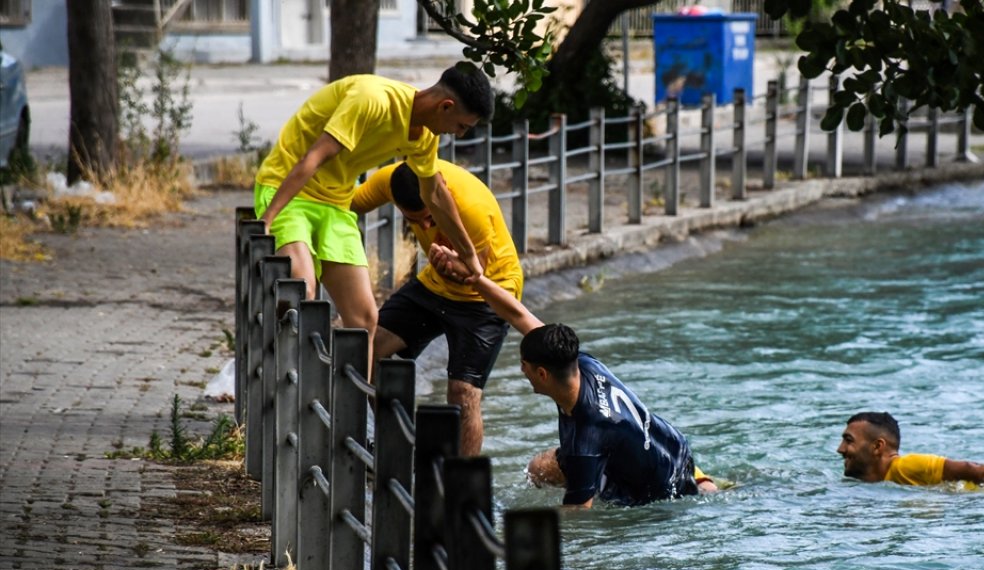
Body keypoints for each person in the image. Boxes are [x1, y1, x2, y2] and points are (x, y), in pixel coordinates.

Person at [428, 244, 718, 507]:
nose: (521, 371)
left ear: (542, 374)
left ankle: (701, 488)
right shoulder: (579, 362)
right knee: (538, 470)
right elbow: (517, 315)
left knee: (569, 483)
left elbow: (578, 514)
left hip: (653, 494)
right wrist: (474, 278)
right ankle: (702, 482)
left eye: (524, 366)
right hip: (674, 448)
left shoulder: (586, 438)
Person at [253, 63, 492, 376]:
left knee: (365, 319)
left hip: (335, 204)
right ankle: (277, 381)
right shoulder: (372, 99)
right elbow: (314, 157)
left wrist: (470, 255)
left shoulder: (423, 138)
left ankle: (356, 420)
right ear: (445, 106)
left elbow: (435, 196)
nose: (458, 134)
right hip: (288, 188)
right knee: (301, 288)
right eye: (461, 126)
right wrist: (267, 220)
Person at [349, 159, 522, 456]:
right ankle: (396, 449)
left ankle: (462, 484)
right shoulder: (391, 179)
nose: (427, 227)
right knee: (372, 350)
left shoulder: (471, 206)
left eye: (431, 217)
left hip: (486, 295)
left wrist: (454, 265)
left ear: (437, 191)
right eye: (416, 220)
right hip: (432, 285)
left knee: (464, 393)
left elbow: (472, 274)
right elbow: (349, 202)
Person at [837, 411, 984, 487]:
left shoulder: (905, 466)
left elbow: (973, 468)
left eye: (849, 440)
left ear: (877, 446)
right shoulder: (876, 480)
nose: (840, 449)